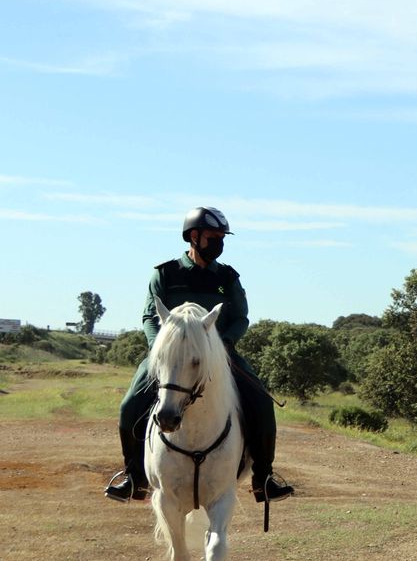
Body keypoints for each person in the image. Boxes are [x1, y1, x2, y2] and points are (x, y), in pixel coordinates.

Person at [106, 207, 294, 504]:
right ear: (194, 237)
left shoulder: (228, 277)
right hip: (169, 357)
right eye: (213, 237)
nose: (219, 243)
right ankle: (134, 477)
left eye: (222, 238)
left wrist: (225, 343)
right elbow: (149, 317)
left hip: (219, 354)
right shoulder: (165, 274)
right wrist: (161, 349)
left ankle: (264, 478)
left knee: (260, 401)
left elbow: (241, 318)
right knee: (130, 405)